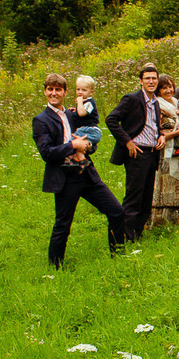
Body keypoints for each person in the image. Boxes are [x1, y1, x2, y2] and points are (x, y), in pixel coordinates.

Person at [33, 73, 125, 268]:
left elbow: (89, 140)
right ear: (45, 92)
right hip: (65, 178)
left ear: (65, 92)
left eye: (58, 89)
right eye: (50, 89)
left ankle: (119, 257)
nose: (54, 93)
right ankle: (55, 268)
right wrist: (73, 145)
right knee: (63, 225)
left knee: (117, 211)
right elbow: (47, 153)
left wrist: (88, 146)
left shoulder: (72, 114)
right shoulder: (41, 120)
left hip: (87, 173)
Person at [106, 64, 165, 242]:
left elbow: (152, 125)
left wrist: (161, 135)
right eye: (147, 78)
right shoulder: (131, 99)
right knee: (134, 199)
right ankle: (124, 237)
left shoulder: (155, 101)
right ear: (141, 81)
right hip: (137, 154)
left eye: (154, 78)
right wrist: (127, 142)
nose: (151, 81)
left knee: (146, 201)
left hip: (152, 153)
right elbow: (111, 120)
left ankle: (137, 236)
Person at [148, 75, 179, 227]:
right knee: (164, 184)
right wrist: (177, 133)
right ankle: (160, 220)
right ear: (158, 90)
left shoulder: (176, 103)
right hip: (163, 153)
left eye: (170, 87)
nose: (168, 90)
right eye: (164, 88)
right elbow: (154, 134)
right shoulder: (157, 106)